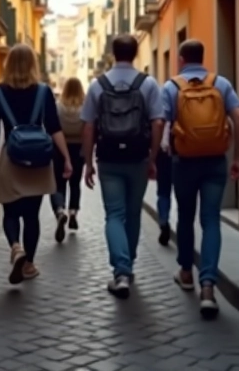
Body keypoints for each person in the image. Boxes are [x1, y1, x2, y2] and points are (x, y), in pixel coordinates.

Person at [163, 39, 239, 319]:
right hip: (214, 162)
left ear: (181, 60)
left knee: (185, 218)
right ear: (202, 57)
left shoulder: (171, 87)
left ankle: (186, 272)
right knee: (211, 220)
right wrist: (237, 157)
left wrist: (156, 156)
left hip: (183, 162)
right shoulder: (220, 83)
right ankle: (208, 287)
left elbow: (159, 122)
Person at [81, 35, 164, 299]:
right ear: (136, 52)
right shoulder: (148, 84)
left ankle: (121, 271)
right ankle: (128, 265)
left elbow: (89, 126)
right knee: (133, 212)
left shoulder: (97, 85)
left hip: (108, 158)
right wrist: (152, 158)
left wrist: (87, 163)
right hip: (138, 157)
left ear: (113, 53)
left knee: (114, 214)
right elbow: (158, 122)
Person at [0, 44, 73, 284]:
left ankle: (16, 247)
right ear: (34, 65)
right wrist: (65, 158)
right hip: (39, 161)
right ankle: (30, 264)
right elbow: (54, 128)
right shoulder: (44, 92)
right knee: (32, 215)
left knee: (10, 211)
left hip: (11, 160)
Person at [51, 77, 87, 242]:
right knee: (75, 183)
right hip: (78, 149)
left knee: (58, 183)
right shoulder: (85, 108)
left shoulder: (58, 108)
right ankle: (73, 212)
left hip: (59, 149)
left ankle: (60, 210)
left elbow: (52, 128)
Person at [155, 119, 174, 246]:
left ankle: (163, 222)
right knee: (183, 195)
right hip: (183, 152)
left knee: (163, 192)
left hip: (163, 153)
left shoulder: (161, 99)